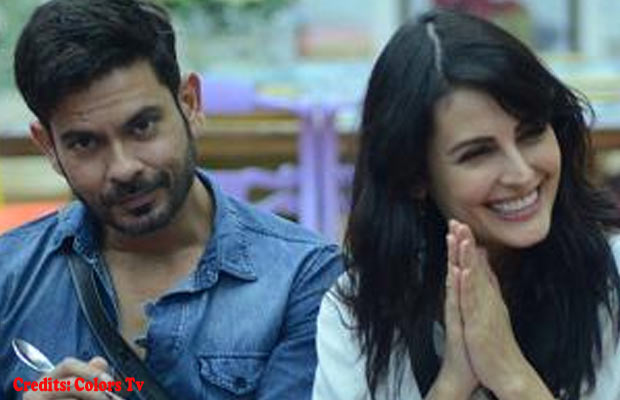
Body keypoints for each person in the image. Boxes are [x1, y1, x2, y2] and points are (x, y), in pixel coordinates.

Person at [0, 0, 342, 398]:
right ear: (49, 147)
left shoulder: (302, 279)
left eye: (142, 126)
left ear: (190, 104)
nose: (123, 168)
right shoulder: (10, 278)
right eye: (85, 143)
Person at [312, 9, 620, 400]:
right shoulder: (358, 310)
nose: (521, 173)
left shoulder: (612, 275)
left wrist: (511, 375)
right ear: (415, 176)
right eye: (478, 153)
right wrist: (453, 382)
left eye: (531, 133)